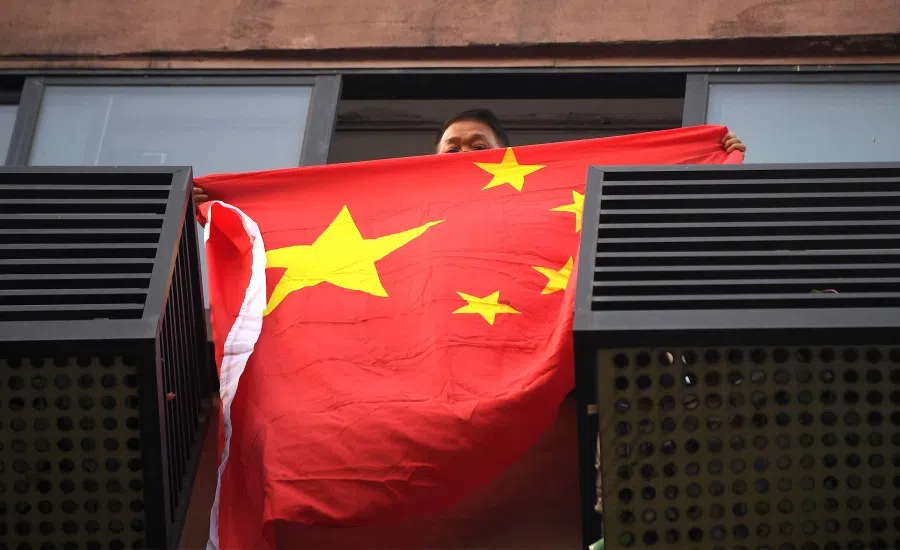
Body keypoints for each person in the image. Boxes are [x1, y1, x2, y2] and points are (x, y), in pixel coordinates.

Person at [193, 108, 745, 205]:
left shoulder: (544, 198)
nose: (463, 153)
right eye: (451, 147)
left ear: (510, 156)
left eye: (478, 145)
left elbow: (631, 199)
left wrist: (700, 160)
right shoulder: (401, 202)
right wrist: (233, 199)